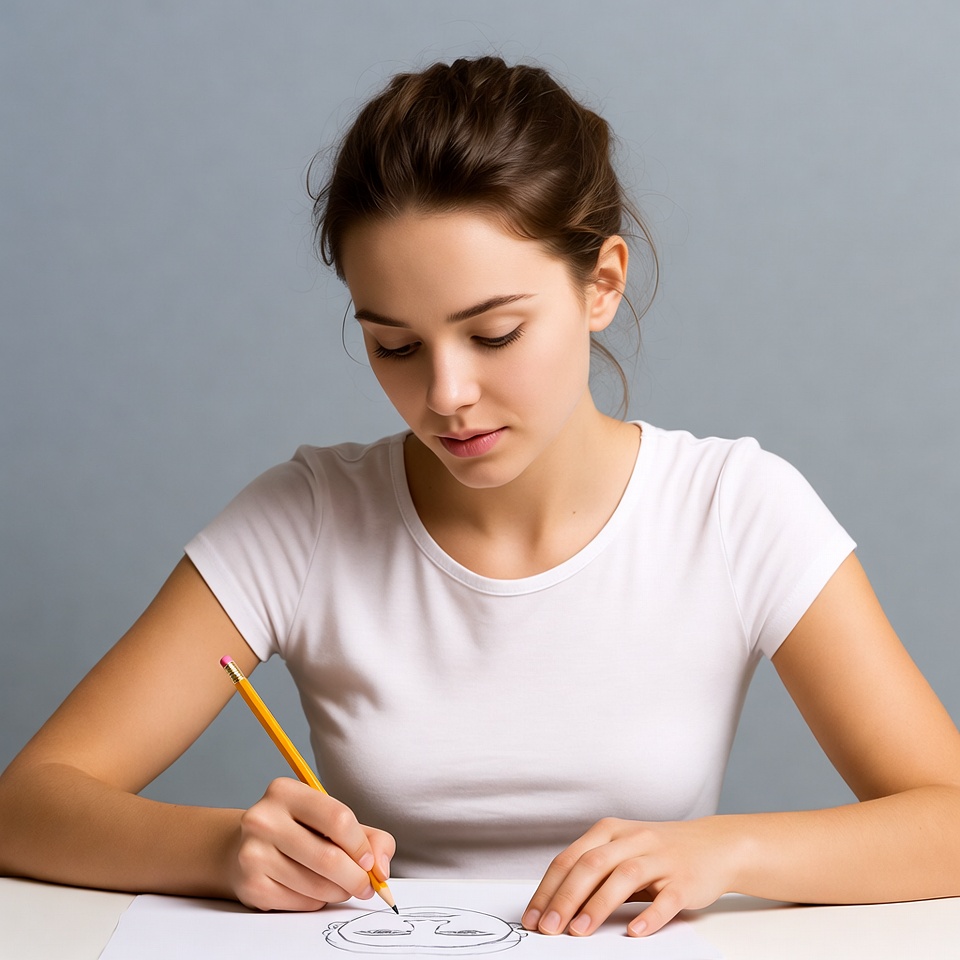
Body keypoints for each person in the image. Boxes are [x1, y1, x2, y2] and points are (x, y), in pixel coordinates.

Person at [1, 56, 959, 940]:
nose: (445, 396)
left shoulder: (734, 509)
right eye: (394, 346)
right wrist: (220, 852)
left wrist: (730, 851)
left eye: (494, 333)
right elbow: (28, 804)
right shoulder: (304, 520)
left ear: (602, 284)